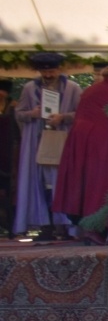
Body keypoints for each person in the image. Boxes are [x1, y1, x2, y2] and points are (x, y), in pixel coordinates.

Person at [52, 65, 108, 245]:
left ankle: (90, 227)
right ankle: (97, 228)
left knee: (87, 184)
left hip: (83, 141)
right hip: (102, 143)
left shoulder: (93, 88)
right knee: (103, 184)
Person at [14, 52, 82, 239]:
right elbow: (19, 113)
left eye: (52, 71)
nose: (48, 75)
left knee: (62, 181)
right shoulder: (29, 88)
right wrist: (32, 114)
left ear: (59, 69)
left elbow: (82, 114)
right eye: (44, 72)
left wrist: (63, 117)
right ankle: (46, 225)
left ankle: (66, 225)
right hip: (37, 142)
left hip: (63, 141)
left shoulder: (73, 88)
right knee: (41, 183)